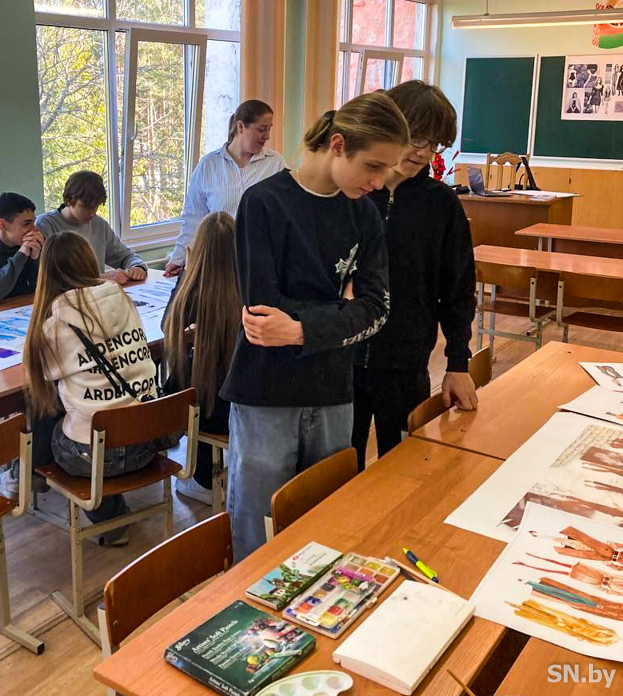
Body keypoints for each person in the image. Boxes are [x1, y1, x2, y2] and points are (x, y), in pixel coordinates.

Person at [221, 92, 410, 561]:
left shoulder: (364, 213)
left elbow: (377, 309)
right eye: (373, 166)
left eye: (387, 170)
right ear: (338, 145)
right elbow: (264, 315)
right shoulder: (264, 203)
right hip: (266, 391)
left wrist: (301, 327)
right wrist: (338, 311)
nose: (379, 182)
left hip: (332, 390)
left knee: (324, 525)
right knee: (258, 533)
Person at [0, 231, 179, 546]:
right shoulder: (121, 298)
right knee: (86, 408)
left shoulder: (56, 323)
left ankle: (29, 475)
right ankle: (29, 476)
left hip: (97, 455)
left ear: (47, 273)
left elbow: (39, 378)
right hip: (149, 438)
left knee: (46, 410)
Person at [351, 81, 476, 470]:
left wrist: (458, 362)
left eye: (434, 143)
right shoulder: (352, 193)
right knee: (338, 471)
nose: (423, 151)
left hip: (406, 363)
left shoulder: (442, 205)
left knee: (403, 471)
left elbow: (458, 290)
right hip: (340, 363)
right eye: (416, 138)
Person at [162, 211, 241, 505]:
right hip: (244, 410)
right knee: (205, 372)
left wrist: (186, 271)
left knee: (195, 375)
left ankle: (202, 481)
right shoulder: (250, 287)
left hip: (207, 412)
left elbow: (168, 328)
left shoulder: (191, 294)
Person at [164, 100, 285, 277]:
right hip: (217, 261)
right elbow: (193, 218)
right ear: (241, 126)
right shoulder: (208, 165)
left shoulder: (276, 163)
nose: (266, 136)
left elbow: (284, 214)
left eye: (269, 129)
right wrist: (179, 258)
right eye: (261, 129)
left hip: (260, 262)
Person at [36, 170, 146, 285]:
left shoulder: (99, 224)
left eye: (96, 206)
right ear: (69, 200)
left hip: (96, 293)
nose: (92, 213)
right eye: (86, 206)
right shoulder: (45, 225)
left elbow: (125, 256)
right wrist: (101, 278)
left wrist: (137, 266)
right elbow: (50, 278)